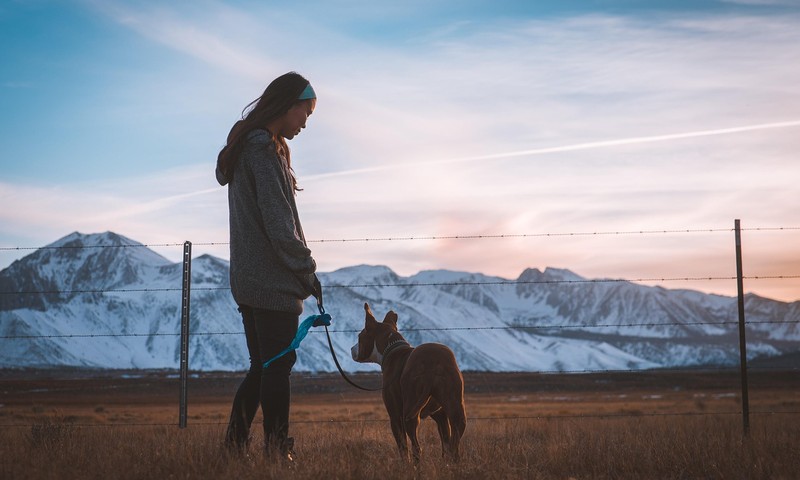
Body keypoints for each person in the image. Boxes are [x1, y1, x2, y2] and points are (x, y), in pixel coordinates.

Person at [215, 72, 322, 461]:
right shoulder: (262, 152)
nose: (305, 123)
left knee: (263, 367)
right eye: (305, 112)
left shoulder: (249, 147)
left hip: (249, 279)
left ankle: (234, 446)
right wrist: (307, 271)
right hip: (272, 282)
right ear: (288, 105)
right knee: (277, 367)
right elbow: (280, 228)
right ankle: (277, 451)